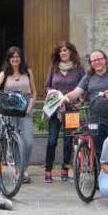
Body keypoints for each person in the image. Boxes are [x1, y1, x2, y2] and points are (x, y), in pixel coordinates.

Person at [62, 49, 108, 161]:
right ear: (91, 64)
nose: (97, 62)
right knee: (98, 149)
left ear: (105, 60)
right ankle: (100, 175)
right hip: (94, 119)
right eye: (93, 61)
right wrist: (64, 98)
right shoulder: (88, 77)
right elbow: (76, 93)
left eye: (99, 59)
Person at [0, 46, 37, 184]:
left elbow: (34, 92)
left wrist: (30, 106)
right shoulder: (5, 72)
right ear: (9, 59)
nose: (15, 59)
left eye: (17, 57)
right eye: (12, 57)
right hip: (10, 108)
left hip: (25, 109)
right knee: (14, 141)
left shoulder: (27, 71)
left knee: (28, 142)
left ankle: (24, 168)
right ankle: (18, 170)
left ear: (21, 58)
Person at [43, 41, 86, 183]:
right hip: (56, 110)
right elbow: (47, 87)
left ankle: (65, 169)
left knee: (68, 142)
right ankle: (48, 170)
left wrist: (79, 99)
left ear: (71, 52)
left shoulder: (79, 68)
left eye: (66, 50)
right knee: (51, 141)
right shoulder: (53, 68)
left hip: (72, 110)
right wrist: (54, 94)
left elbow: (84, 86)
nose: (63, 53)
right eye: (61, 50)